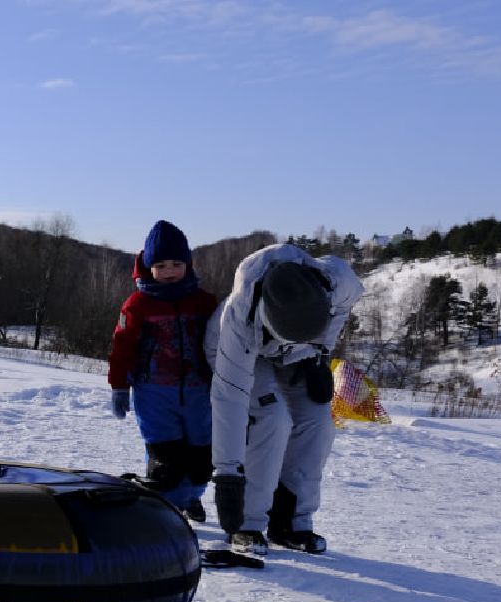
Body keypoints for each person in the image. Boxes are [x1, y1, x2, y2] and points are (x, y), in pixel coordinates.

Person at [205, 243, 364, 556]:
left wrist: (319, 352)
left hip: (296, 355)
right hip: (240, 353)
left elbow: (343, 308)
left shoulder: (338, 283)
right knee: (272, 417)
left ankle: (291, 520)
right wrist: (227, 477)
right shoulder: (238, 320)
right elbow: (229, 400)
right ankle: (248, 524)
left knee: (320, 419)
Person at [108, 220, 217, 521]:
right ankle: (166, 507)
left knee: (200, 458)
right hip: (154, 392)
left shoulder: (204, 302)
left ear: (188, 264)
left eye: (176, 264)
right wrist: (119, 386)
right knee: (165, 458)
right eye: (161, 265)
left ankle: (190, 497)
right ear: (147, 266)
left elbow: (225, 342)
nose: (169, 271)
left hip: (199, 391)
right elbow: (122, 346)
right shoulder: (138, 304)